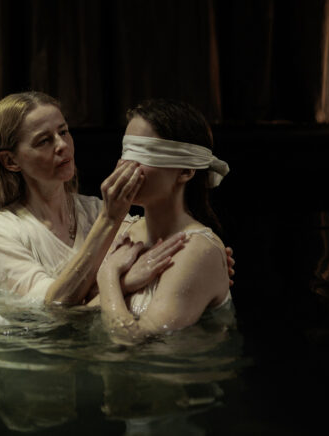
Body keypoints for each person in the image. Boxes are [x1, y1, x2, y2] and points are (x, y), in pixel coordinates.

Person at [0, 92, 234, 310]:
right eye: (44, 141)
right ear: (11, 161)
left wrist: (204, 261)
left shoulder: (94, 210)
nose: (62, 145)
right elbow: (51, 310)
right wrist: (123, 281)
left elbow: (162, 251)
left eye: (63, 132)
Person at [95, 99, 233, 342]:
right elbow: (69, 313)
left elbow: (131, 340)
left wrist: (108, 276)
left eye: (143, 153)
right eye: (126, 151)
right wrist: (123, 283)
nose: (125, 166)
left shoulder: (198, 250)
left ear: (186, 171)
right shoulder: (123, 230)